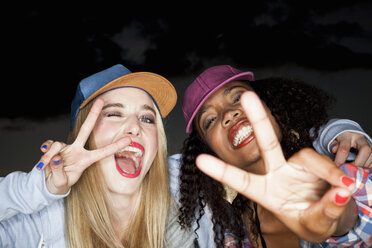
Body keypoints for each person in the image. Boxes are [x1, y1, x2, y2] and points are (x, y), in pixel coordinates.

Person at [171, 65, 372, 247]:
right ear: (211, 151)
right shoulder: (231, 234)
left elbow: (354, 208)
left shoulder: (347, 172)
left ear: (270, 106)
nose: (228, 114)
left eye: (238, 97)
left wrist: (336, 217)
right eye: (210, 120)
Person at [0, 64, 196, 247]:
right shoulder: (46, 221)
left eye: (146, 118)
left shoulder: (178, 200)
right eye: (114, 114)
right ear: (84, 137)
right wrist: (38, 188)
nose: (135, 127)